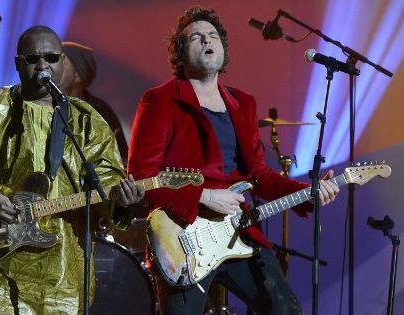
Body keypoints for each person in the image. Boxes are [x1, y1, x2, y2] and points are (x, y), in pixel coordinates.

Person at [127, 7, 340, 315]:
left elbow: (260, 175)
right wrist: (205, 196)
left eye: (212, 35)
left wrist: (308, 192)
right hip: (182, 236)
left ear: (223, 48)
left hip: (237, 232)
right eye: (196, 37)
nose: (206, 40)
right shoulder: (160, 100)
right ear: (180, 53)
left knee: (285, 309)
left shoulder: (243, 103)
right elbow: (142, 176)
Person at [0, 26, 144, 314]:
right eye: (33, 58)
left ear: (62, 62)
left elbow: (107, 178)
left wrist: (121, 200)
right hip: (2, 260)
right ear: (18, 64)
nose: (43, 65)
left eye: (52, 57)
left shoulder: (86, 120)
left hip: (66, 268)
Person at [59, 41, 128, 163]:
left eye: (60, 63)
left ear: (78, 76)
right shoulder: (41, 106)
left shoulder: (100, 112)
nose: (51, 67)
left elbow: (122, 159)